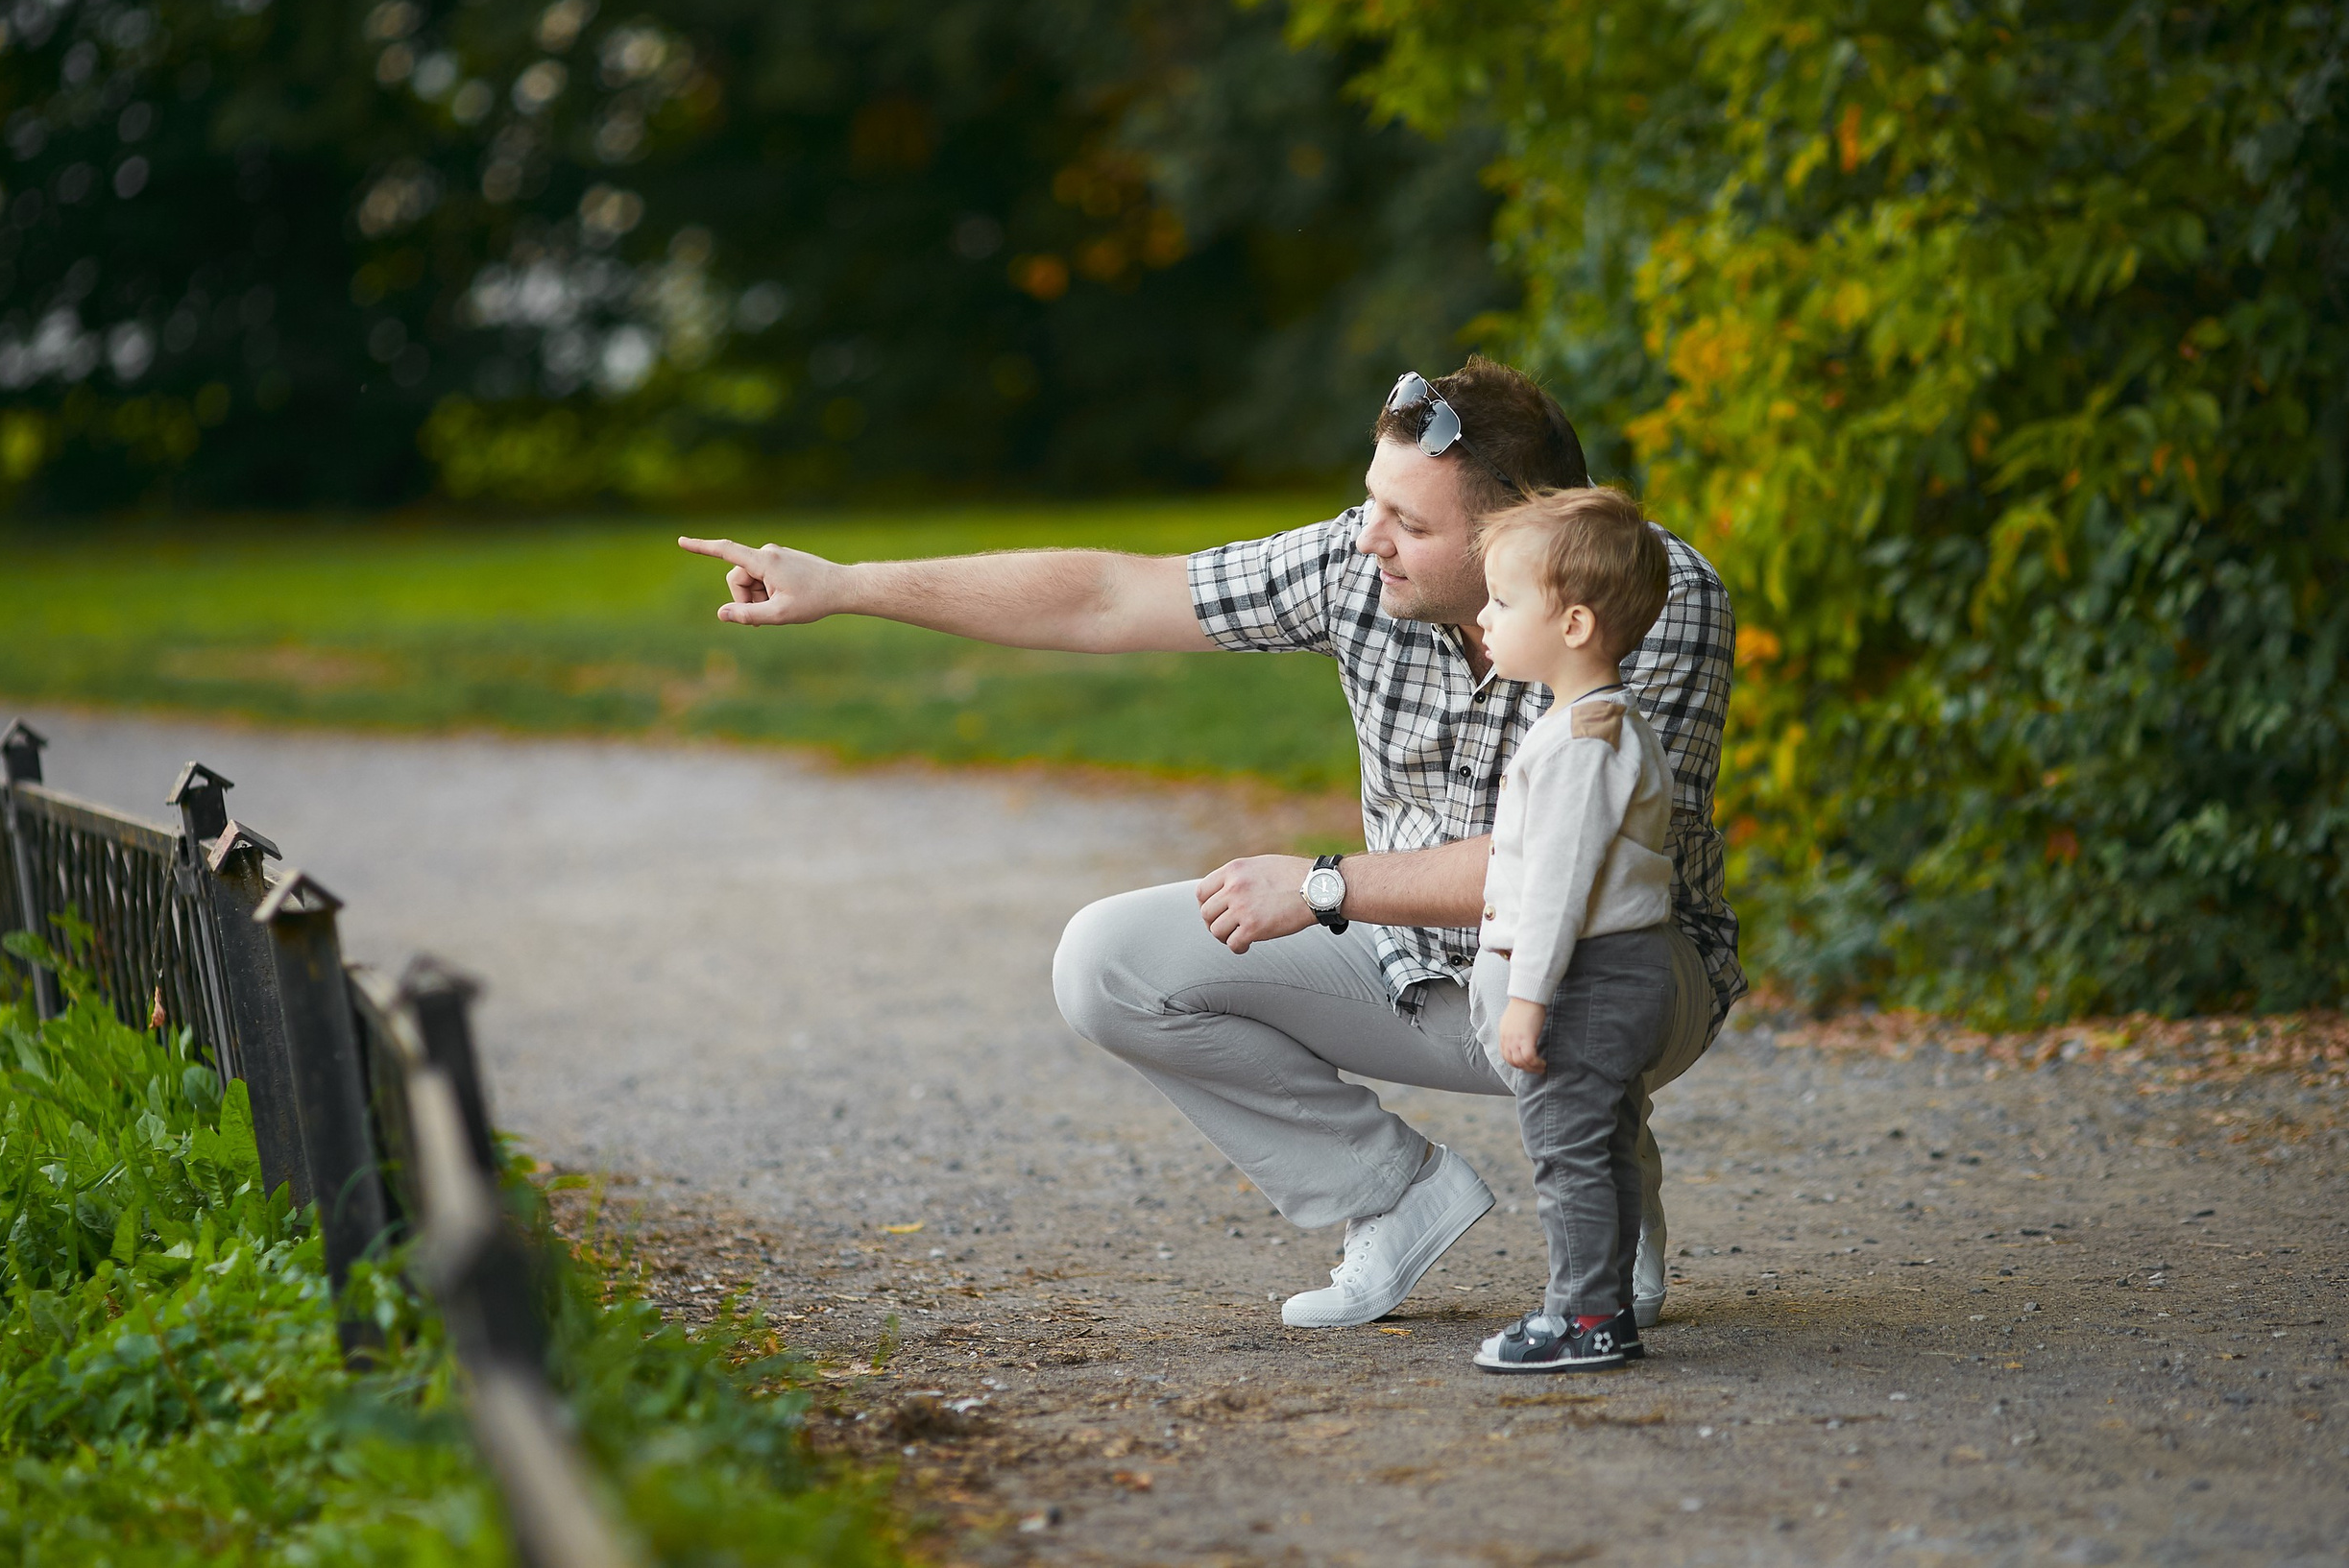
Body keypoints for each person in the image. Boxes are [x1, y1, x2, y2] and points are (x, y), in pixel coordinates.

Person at [677, 356, 1741, 1333]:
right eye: (1372, 502)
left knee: (1555, 958)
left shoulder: (1653, 601)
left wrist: (1326, 887)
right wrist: (851, 586)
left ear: (1516, 527)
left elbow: (1559, 861)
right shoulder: (1357, 564)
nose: (1368, 537)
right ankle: (1392, 1195)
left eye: (1406, 522)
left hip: (1618, 974)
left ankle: (1603, 1183)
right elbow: (1108, 597)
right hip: (1417, 970)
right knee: (1109, 962)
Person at [1466, 487, 1677, 1374]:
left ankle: (1583, 1315)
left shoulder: (1579, 747)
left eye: (1504, 601)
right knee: (1604, 1141)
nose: (1484, 615)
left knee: (1567, 1151)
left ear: (1576, 623)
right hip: (1624, 971)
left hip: (1585, 978)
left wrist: (1526, 997)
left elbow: (1558, 888)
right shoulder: (1603, 724)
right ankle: (1609, 1306)